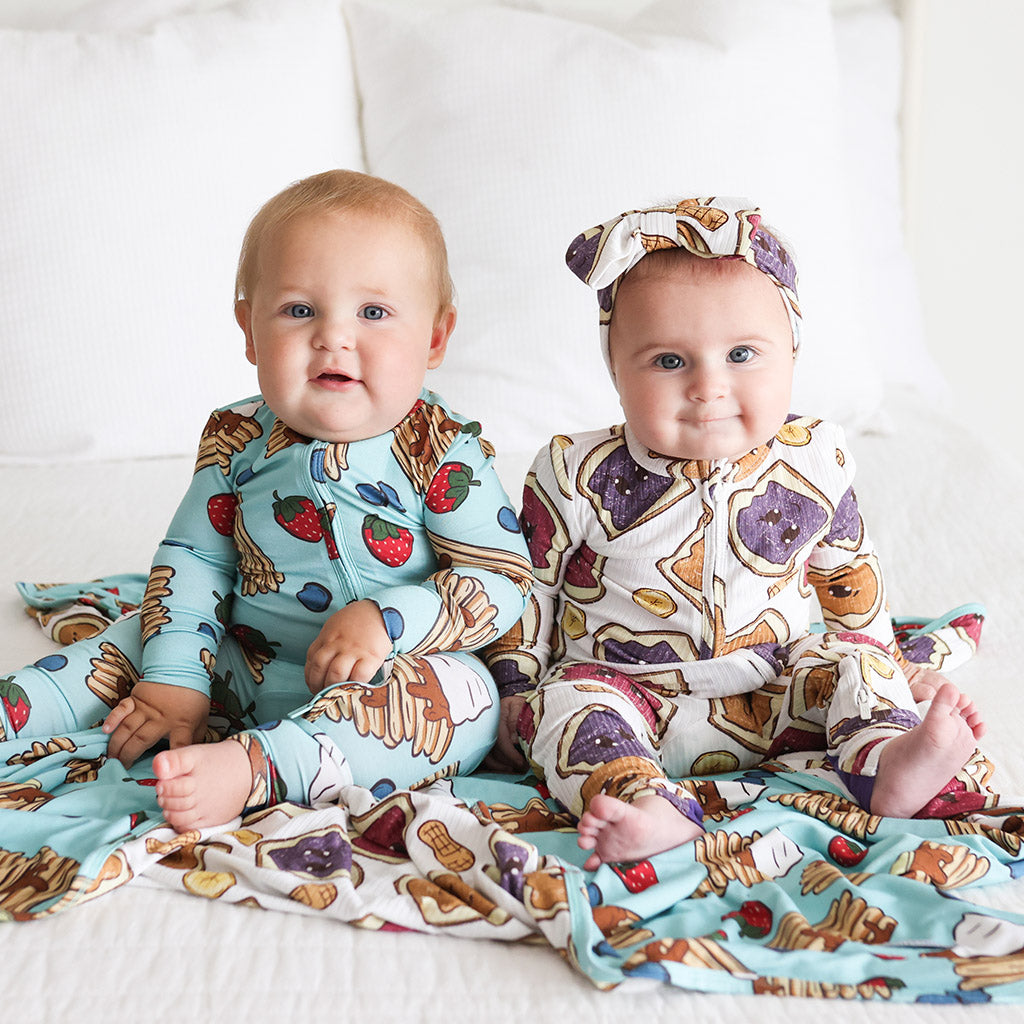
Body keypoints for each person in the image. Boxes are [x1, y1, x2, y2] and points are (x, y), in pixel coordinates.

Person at [0, 169, 533, 833]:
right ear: (250, 331)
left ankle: (256, 767)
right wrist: (175, 679)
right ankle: (15, 712)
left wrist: (389, 621)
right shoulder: (236, 439)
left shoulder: (442, 448)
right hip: (238, 659)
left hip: (383, 675)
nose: (334, 337)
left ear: (434, 338)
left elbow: (502, 578)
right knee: (130, 642)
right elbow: (193, 560)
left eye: (373, 312)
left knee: (466, 702)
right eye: (299, 310)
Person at [484, 197, 988, 870]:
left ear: (793, 354)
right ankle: (642, 803)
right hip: (630, 693)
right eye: (669, 361)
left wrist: (887, 667)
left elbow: (848, 575)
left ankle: (888, 759)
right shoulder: (572, 471)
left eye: (742, 354)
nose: (708, 386)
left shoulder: (817, 459)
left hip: (777, 689)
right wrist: (515, 692)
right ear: (616, 370)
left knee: (853, 661)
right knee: (567, 707)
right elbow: (529, 588)